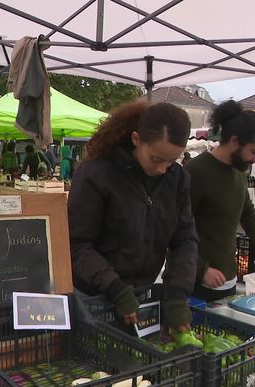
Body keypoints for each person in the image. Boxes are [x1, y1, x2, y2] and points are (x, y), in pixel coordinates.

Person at [68, 101, 197, 332]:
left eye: (172, 161)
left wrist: (177, 293)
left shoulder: (177, 179)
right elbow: (77, 243)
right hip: (93, 297)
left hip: (140, 295)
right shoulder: (96, 174)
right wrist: (114, 287)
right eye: (157, 159)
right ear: (136, 139)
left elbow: (185, 239)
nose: (163, 169)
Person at [184, 100, 255, 302]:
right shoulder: (195, 172)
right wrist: (201, 269)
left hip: (227, 282)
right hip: (193, 285)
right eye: (254, 152)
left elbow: (246, 209)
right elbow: (172, 229)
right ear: (234, 141)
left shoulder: (238, 170)